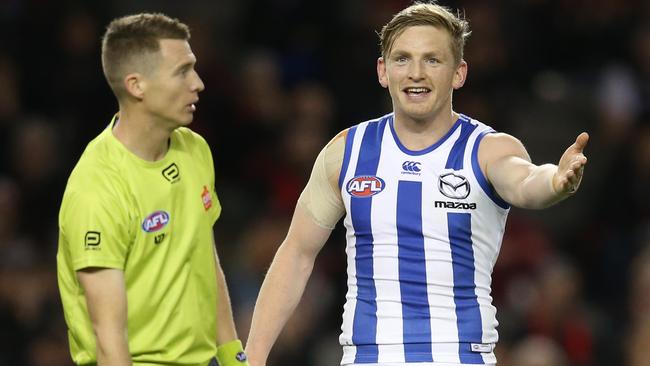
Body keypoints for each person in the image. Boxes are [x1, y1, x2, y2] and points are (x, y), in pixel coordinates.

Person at [245, 2, 588, 366]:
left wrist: (556, 180)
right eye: (403, 59)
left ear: (459, 73)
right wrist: (252, 355)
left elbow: (526, 181)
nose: (416, 73)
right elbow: (296, 254)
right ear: (383, 70)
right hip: (367, 358)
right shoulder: (346, 152)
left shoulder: (487, 149)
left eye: (433, 60)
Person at [56, 13, 249, 366]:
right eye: (182, 71)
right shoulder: (97, 189)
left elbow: (206, 258)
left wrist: (233, 356)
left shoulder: (195, 149)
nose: (198, 82)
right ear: (136, 85)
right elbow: (108, 337)